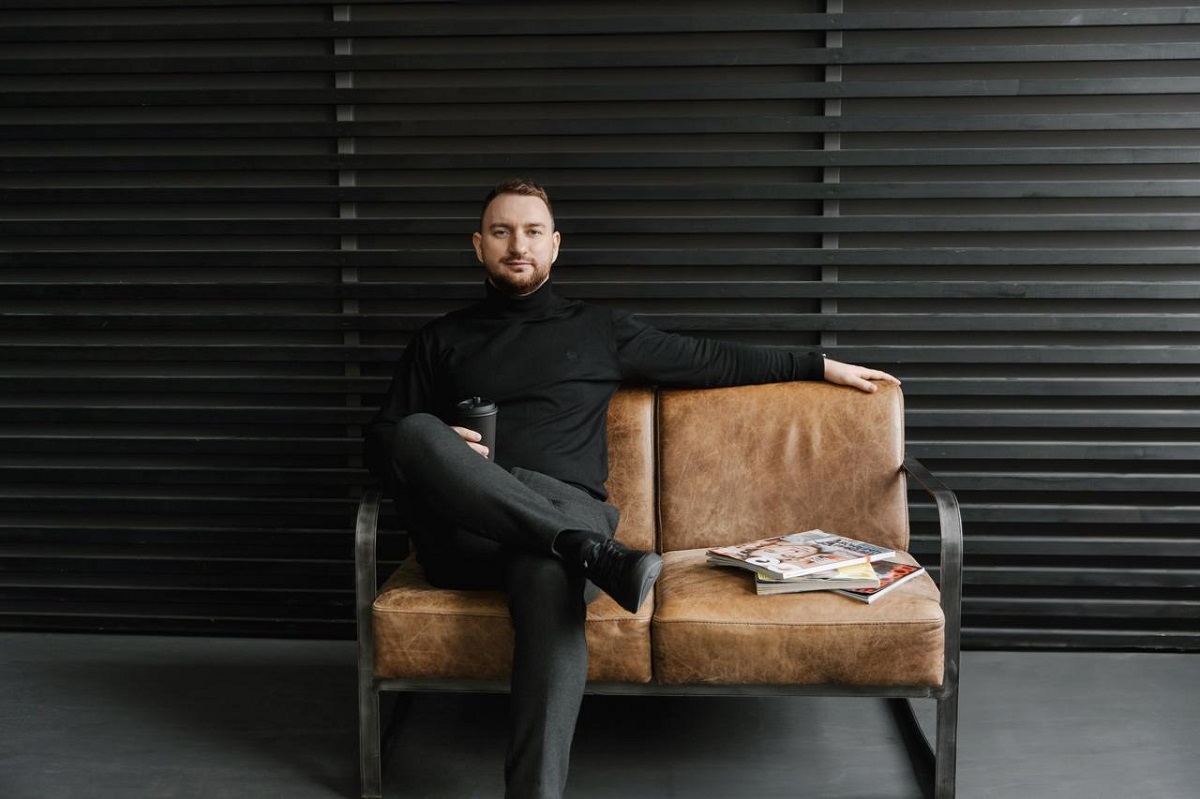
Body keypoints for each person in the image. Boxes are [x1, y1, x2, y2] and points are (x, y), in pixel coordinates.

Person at [364, 178, 900, 799]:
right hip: (468, 534)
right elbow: (382, 443)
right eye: (502, 232)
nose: (518, 245)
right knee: (415, 430)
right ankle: (584, 547)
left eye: (533, 232)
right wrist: (446, 445)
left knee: (548, 569)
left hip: (562, 520)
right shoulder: (439, 340)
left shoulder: (598, 329)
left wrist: (816, 364)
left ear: (555, 245)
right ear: (478, 245)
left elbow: (707, 359)